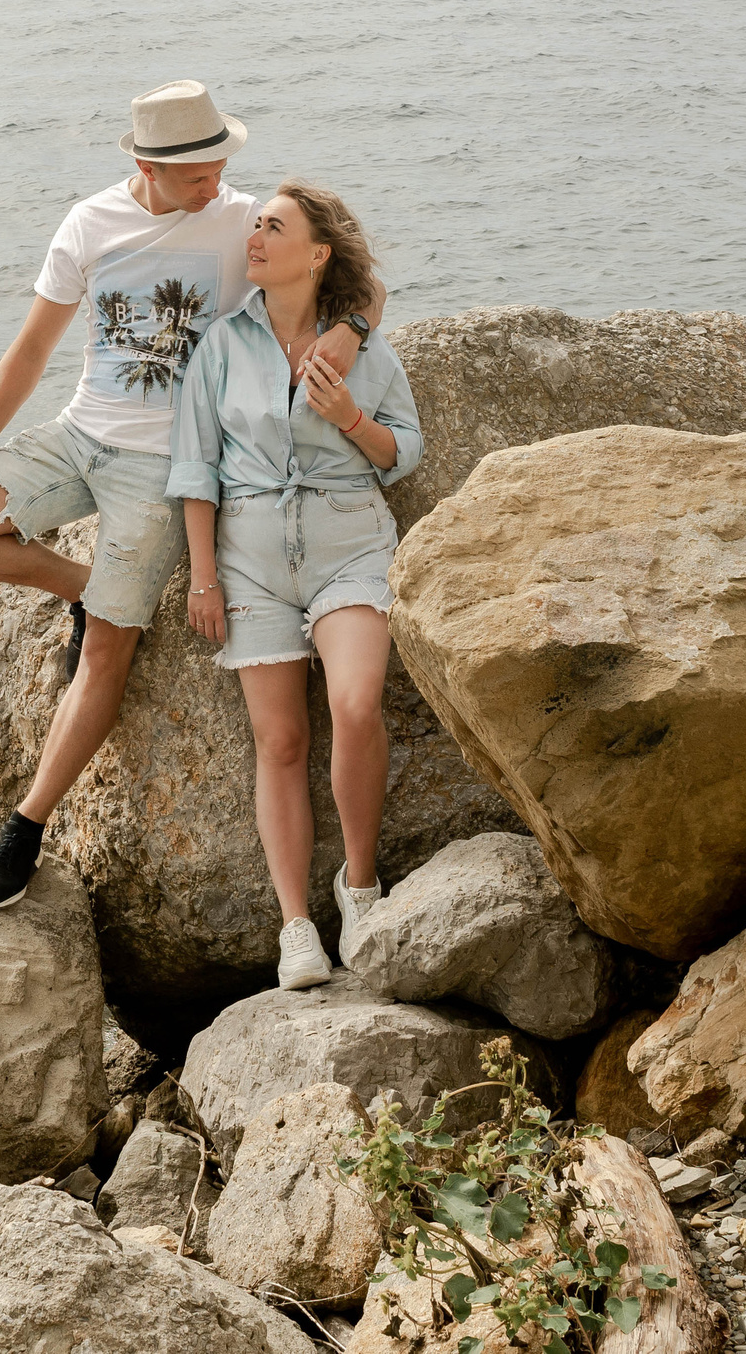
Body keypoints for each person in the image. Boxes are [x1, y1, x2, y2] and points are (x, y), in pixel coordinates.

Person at [0, 81, 383, 910]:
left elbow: (360, 278)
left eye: (219, 165)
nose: (216, 185)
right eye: (197, 174)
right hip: (79, 436)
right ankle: (86, 592)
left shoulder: (243, 223)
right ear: (144, 167)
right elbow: (30, 348)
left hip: (162, 471)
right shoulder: (90, 224)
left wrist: (349, 333)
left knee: (106, 656)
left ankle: (25, 825)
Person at [167, 181, 422, 989]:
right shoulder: (220, 347)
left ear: (316, 253)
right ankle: (295, 927)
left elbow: (403, 453)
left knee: (355, 703)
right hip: (248, 556)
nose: (255, 237)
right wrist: (203, 574)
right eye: (253, 225)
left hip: (348, 540)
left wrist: (350, 415)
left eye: (273, 227)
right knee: (278, 741)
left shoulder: (364, 347)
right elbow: (194, 468)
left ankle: (359, 885)